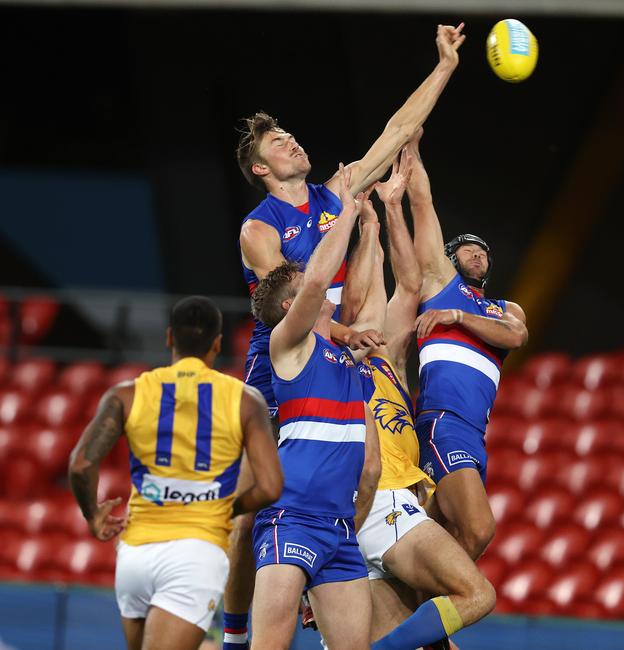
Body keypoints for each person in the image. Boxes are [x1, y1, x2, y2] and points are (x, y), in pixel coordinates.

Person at [226, 25, 466, 648]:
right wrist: (343, 329)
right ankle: (233, 631)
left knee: (358, 467)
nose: (293, 142)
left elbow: (395, 131)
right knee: (254, 505)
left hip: (338, 351)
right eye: (279, 142)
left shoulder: (340, 195)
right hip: (288, 357)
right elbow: (288, 304)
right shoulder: (261, 228)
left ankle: (330, 579)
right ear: (261, 168)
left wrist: (444, 66)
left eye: (292, 135)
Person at [68, 296, 283, 650]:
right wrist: (222, 507)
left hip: (136, 554)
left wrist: (92, 515)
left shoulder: (128, 393)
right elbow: (270, 486)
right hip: (194, 554)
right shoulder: (244, 399)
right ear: (217, 343)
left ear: (170, 338)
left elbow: (81, 464)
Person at [343, 149, 495, 649]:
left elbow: (407, 283)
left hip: (390, 514)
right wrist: (361, 228)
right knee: (475, 595)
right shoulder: (333, 366)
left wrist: (384, 215)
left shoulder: (386, 361)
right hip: (381, 507)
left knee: (427, 640)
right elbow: (363, 290)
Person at [248, 166, 381, 650]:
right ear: (291, 305)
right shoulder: (288, 344)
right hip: (293, 515)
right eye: (303, 286)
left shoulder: (347, 357)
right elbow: (321, 273)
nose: (316, 285)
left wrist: (373, 230)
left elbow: (370, 468)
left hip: (341, 528)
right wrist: (344, 212)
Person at [407, 131, 528, 560]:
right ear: (450, 259)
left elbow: (516, 336)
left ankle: (400, 612)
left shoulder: (504, 308)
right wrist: (411, 147)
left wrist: (459, 318)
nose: (477, 255)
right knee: (477, 530)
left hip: (475, 433)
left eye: (483, 253)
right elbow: (423, 205)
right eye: (468, 251)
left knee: (431, 538)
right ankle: (429, 627)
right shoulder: (442, 286)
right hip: (443, 420)